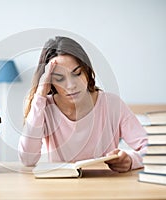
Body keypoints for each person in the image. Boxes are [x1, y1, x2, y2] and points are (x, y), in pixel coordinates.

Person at [18, 36, 147, 172]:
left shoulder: (112, 104)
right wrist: (40, 95)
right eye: (59, 78)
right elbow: (27, 160)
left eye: (77, 73)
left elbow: (152, 149)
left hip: (107, 186)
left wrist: (131, 160)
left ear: (86, 71)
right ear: (50, 82)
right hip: (60, 188)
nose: (71, 85)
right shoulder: (44, 108)